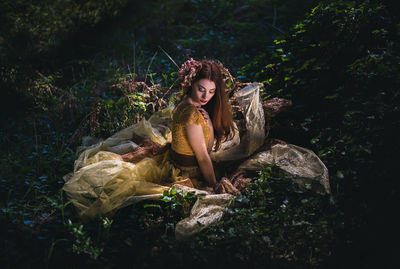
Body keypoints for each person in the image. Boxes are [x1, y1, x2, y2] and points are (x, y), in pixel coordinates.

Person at [169, 58, 236, 191]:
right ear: (191, 84)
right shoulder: (191, 114)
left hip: (179, 163)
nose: (206, 96)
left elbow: (207, 148)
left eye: (211, 91)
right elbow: (203, 157)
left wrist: (209, 125)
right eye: (201, 89)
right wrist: (214, 185)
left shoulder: (186, 103)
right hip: (189, 173)